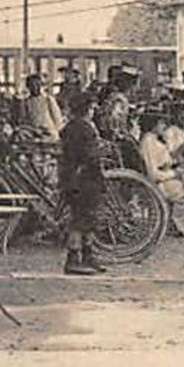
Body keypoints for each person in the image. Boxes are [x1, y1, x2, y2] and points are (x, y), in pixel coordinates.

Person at [58, 91, 105, 275]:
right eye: (92, 107)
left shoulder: (71, 127)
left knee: (87, 218)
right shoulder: (84, 129)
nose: (93, 111)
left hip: (74, 177)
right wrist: (101, 153)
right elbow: (88, 155)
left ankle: (87, 256)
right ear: (87, 109)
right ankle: (74, 259)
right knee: (80, 220)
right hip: (83, 179)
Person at [22, 74, 65, 142]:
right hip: (34, 134)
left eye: (37, 84)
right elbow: (26, 119)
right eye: (32, 85)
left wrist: (58, 132)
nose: (35, 87)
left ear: (41, 85)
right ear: (28, 86)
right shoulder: (26, 102)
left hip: (49, 133)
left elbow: (57, 118)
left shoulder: (48, 99)